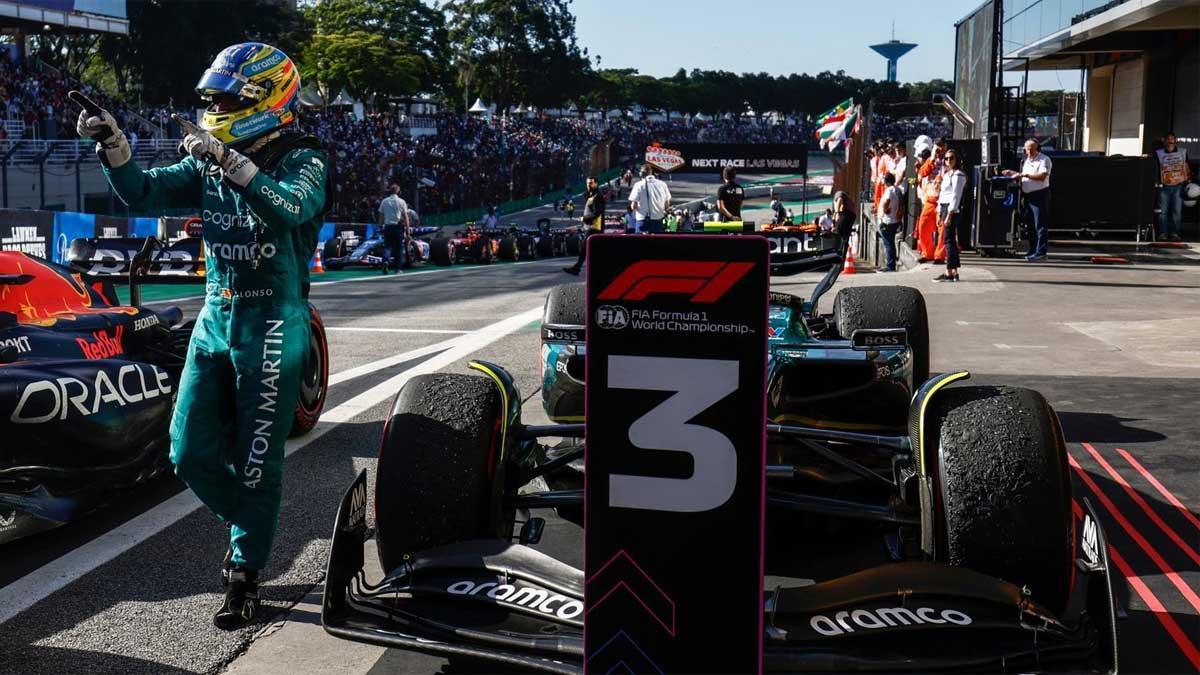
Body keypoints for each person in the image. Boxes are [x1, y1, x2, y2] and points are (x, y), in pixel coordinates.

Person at [78, 42, 327, 629]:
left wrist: (230, 162)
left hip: (274, 321)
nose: (214, 106)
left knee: (258, 460)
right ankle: (256, 520)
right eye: (210, 98)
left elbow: (290, 208)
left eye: (226, 98)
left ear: (267, 98)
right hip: (216, 317)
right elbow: (142, 191)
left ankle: (243, 573)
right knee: (186, 451)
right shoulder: (206, 160)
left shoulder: (305, 156)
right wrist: (113, 144)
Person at [1004, 138, 1052, 260]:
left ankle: (1041, 252)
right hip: (1027, 195)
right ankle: (1033, 249)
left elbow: (1042, 176)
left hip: (1039, 195)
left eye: (1032, 149)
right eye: (1027, 149)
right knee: (1030, 225)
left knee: (1039, 225)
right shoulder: (1025, 161)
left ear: (1037, 149)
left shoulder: (1044, 159)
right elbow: (1025, 177)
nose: (1029, 152)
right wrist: (1013, 173)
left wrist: (1024, 175)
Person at [935, 150, 967, 282]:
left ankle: (949, 271)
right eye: (946, 159)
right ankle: (953, 270)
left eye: (951, 158)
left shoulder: (958, 175)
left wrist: (949, 214)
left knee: (948, 240)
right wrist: (939, 212)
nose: (948, 161)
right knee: (949, 240)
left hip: (951, 209)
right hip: (944, 207)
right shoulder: (947, 175)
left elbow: (955, 196)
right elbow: (942, 194)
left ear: (956, 159)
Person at [564, 176, 605, 275]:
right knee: (588, 249)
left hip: (595, 227)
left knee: (584, 248)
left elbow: (597, 213)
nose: (588, 185)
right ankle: (578, 268)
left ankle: (577, 268)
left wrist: (584, 218)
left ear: (596, 183)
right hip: (589, 227)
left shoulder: (598, 196)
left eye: (591, 183)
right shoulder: (591, 195)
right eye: (587, 183)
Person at [1156, 132, 1190, 242]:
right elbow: (1155, 168)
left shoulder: (1183, 152)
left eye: (1173, 139)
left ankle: (1175, 233)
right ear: (1164, 140)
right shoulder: (1158, 153)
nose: (1171, 141)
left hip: (1178, 185)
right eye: (1169, 139)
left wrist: (1188, 179)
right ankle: (1163, 233)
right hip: (1164, 185)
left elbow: (1187, 166)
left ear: (1176, 140)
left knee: (1177, 211)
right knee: (1163, 212)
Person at [629, 164, 670, 233]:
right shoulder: (663, 184)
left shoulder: (638, 185)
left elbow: (633, 206)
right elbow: (667, 205)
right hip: (658, 220)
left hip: (642, 220)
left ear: (641, 174)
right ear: (651, 172)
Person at [378, 184, 409, 274]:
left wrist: (380, 226)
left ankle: (385, 261)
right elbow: (405, 216)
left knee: (387, 246)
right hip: (398, 227)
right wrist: (407, 229)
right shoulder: (401, 201)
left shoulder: (384, 201)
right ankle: (397, 269)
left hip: (387, 226)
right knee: (398, 248)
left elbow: (381, 215)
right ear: (398, 191)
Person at [914, 148, 939, 261]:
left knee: (942, 230)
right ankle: (927, 253)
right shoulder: (928, 164)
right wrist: (931, 159)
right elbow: (922, 173)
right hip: (929, 200)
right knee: (923, 226)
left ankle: (940, 256)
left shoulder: (946, 162)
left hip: (943, 201)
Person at [877, 173, 901, 272]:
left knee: (888, 244)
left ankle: (890, 265)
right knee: (890, 243)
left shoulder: (889, 191)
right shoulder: (897, 190)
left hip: (887, 220)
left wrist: (884, 209)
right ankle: (891, 264)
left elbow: (887, 200)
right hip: (894, 220)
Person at [831, 190, 856, 258]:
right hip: (851, 215)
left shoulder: (838, 195)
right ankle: (844, 253)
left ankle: (840, 253)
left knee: (840, 233)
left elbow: (840, 200)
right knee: (844, 235)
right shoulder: (846, 199)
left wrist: (837, 213)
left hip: (847, 215)